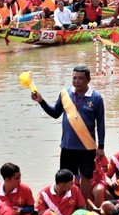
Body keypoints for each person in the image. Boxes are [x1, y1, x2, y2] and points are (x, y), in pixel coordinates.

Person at [31, 66, 105, 203]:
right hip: (67, 145)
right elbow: (55, 113)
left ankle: (82, 204)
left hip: (87, 145)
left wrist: (101, 146)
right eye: (74, 78)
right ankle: (68, 203)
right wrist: (41, 101)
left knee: (86, 176)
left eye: (80, 78)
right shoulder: (65, 93)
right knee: (66, 178)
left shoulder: (96, 98)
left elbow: (100, 123)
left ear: (88, 79)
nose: (77, 81)